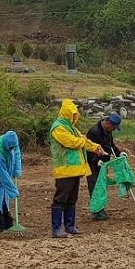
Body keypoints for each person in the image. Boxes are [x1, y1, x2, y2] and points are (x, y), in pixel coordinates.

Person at [49, 99, 106, 238]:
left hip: (75, 170)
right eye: (72, 114)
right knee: (60, 198)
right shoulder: (58, 127)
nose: (74, 116)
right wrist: (84, 141)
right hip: (64, 170)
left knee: (72, 198)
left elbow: (82, 140)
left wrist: (95, 147)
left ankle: (70, 226)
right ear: (67, 113)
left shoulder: (71, 128)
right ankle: (56, 228)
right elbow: (71, 142)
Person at [86, 112, 133, 221]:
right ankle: (96, 212)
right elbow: (89, 149)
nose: (113, 130)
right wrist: (96, 160)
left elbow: (111, 145)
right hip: (93, 164)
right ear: (108, 122)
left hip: (103, 164)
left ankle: (101, 208)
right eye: (113, 127)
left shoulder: (107, 131)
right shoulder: (94, 132)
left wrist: (119, 153)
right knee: (95, 186)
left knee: (102, 186)